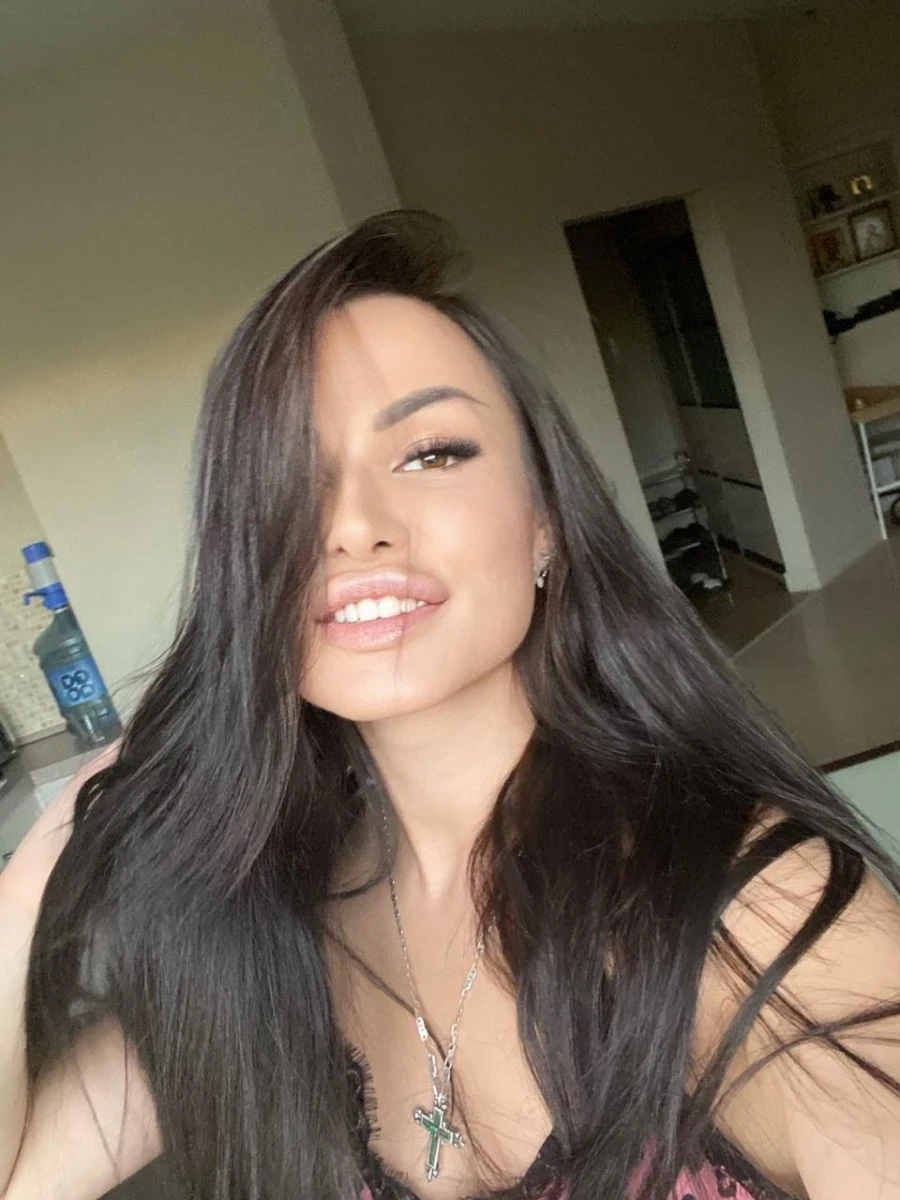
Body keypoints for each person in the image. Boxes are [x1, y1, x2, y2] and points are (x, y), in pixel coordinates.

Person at [2, 210, 899, 1200]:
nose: (354, 526)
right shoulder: (249, 934)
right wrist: (28, 884)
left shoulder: (761, 920)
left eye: (432, 452)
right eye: (290, 478)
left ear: (545, 524)